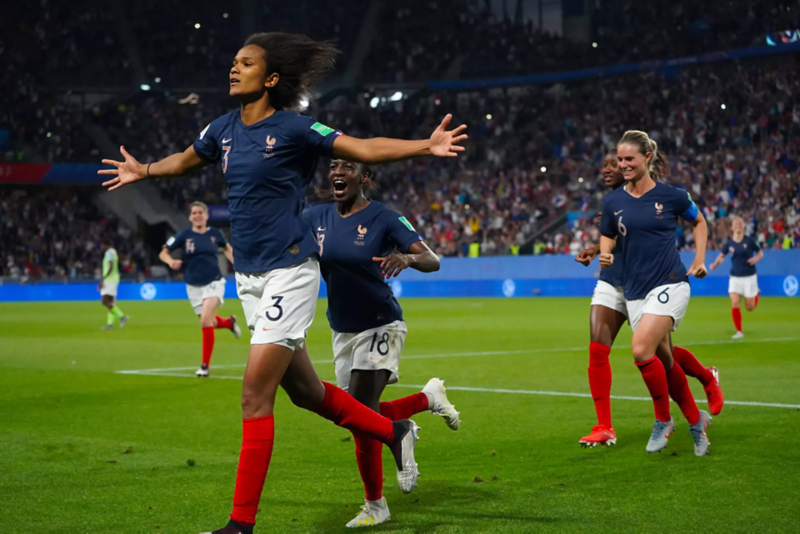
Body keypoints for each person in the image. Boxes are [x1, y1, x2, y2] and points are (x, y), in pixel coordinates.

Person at [99, 32, 467, 534]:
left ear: (270, 78)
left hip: (289, 272)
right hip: (248, 279)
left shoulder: (294, 128)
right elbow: (185, 160)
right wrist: (143, 169)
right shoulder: (222, 129)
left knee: (254, 394)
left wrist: (427, 144)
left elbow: (363, 147)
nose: (234, 68)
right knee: (307, 393)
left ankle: (240, 524)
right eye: (234, 61)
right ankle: (393, 428)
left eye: (246, 63)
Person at [305, 159, 460, 528]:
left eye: (348, 167)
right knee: (358, 414)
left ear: (364, 178)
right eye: (334, 166)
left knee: (360, 415)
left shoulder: (384, 217)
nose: (338, 172)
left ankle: (375, 505)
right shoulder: (316, 217)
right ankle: (428, 399)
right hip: (341, 328)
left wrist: (405, 257)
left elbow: (432, 259)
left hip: (381, 323)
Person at [576, 152, 724, 447]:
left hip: (646, 282)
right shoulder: (613, 203)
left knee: (659, 352)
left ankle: (704, 380)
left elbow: (640, 234)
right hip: (611, 282)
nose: (608, 169)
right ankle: (604, 426)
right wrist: (596, 249)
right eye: (606, 164)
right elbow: (616, 235)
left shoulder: (654, 198)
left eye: (613, 164)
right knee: (597, 350)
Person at [159, 201, 242, 377]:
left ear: (206, 215)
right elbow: (163, 253)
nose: (197, 215)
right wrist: (171, 261)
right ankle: (229, 322)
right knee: (209, 321)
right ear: (190, 217)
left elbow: (227, 249)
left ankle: (204, 366)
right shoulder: (183, 235)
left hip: (214, 282)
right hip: (192, 284)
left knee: (205, 320)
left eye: (200, 212)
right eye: (194, 213)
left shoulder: (215, 233)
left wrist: (240, 265)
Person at [710, 217, 763, 339]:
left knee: (750, 308)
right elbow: (722, 256)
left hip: (749, 276)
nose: (738, 225)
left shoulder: (750, 241)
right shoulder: (729, 244)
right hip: (735, 277)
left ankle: (756, 293)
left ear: (743, 227)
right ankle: (739, 331)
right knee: (734, 302)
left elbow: (760, 253)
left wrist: (755, 259)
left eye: (740, 223)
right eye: (735, 224)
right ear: (732, 228)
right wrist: (715, 264)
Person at [98, 239, 129, 330]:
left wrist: (103, 278)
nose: (101, 247)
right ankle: (110, 324)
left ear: (106, 245)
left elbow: (110, 265)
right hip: (114, 279)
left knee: (104, 301)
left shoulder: (108, 253)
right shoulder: (113, 252)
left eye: (102, 245)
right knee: (111, 303)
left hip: (109, 280)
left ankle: (122, 317)